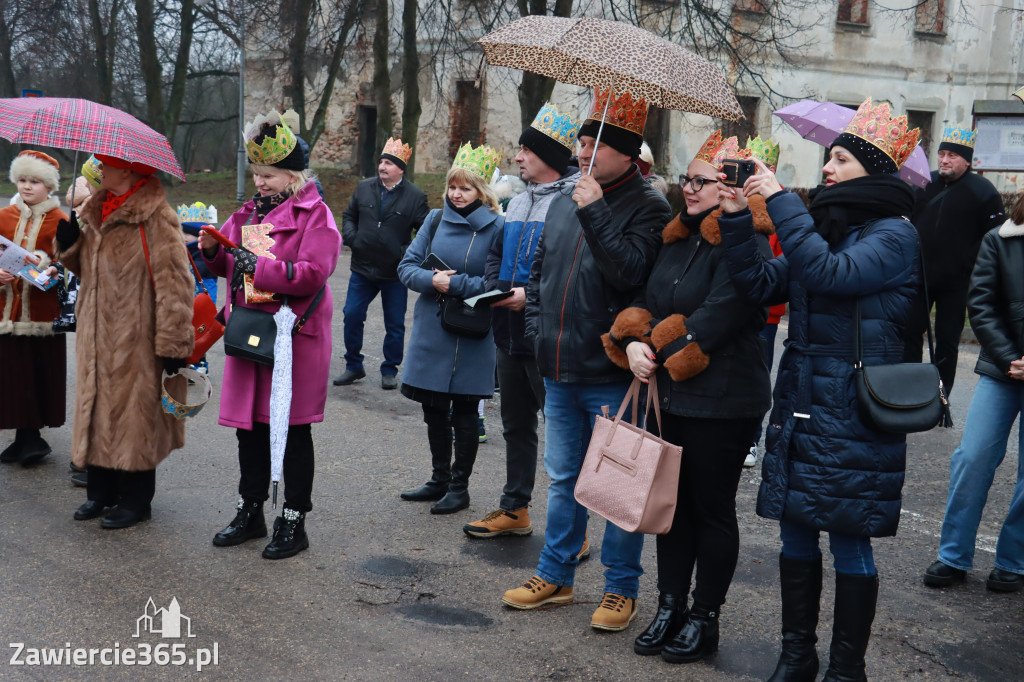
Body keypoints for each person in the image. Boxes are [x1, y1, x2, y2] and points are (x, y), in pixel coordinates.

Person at [717, 98, 921, 681]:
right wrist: (736, 215)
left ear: (872, 167)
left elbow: (833, 275)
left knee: (850, 540)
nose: (826, 169)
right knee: (796, 531)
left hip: (856, 407)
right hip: (804, 400)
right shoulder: (830, 228)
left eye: (838, 160)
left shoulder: (894, 235)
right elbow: (759, 283)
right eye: (827, 160)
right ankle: (796, 656)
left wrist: (780, 200)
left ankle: (845, 669)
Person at [501, 89, 670, 632]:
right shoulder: (563, 198)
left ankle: (622, 589)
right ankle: (556, 575)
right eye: (581, 141)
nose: (583, 151)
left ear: (625, 154)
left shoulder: (649, 207)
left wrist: (595, 207)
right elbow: (539, 274)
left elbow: (628, 273)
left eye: (596, 144)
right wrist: (536, 333)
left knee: (619, 487)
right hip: (557, 365)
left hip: (611, 371)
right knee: (563, 477)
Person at [603, 131, 774, 663]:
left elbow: (722, 315)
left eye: (704, 180)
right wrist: (632, 343)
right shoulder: (675, 238)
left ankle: (705, 618)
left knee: (711, 509)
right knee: (671, 510)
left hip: (725, 398)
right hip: (669, 395)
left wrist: (657, 344)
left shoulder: (742, 239)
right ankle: (669, 606)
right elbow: (643, 300)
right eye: (689, 179)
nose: (691, 188)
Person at [201, 112, 340, 559]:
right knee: (251, 431)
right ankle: (251, 510)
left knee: (291, 431)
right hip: (250, 333)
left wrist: (256, 266)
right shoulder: (245, 214)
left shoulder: (316, 215)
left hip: (292, 337)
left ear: (292, 175)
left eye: (268, 175)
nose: (259, 182)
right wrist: (211, 252)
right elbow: (226, 261)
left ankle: (294, 520)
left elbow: (315, 273)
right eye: (256, 174)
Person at [462, 102, 582, 539]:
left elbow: (573, 271)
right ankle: (515, 508)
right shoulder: (516, 201)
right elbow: (496, 253)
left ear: (548, 156)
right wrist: (496, 289)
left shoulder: (573, 203)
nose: (517, 158)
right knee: (515, 425)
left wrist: (529, 297)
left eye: (526, 151)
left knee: (565, 435)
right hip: (508, 332)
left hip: (549, 336)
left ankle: (575, 525)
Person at [57, 153, 194, 529]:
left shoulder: (156, 217)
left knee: (136, 416)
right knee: (99, 406)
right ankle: (100, 493)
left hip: (138, 336)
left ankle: (136, 500)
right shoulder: (97, 211)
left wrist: (173, 345)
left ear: (129, 169)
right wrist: (68, 246)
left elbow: (175, 285)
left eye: (106, 164)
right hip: (96, 333)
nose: (98, 168)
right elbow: (88, 268)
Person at [921, 194, 1024, 594]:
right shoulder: (1001, 238)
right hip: (1004, 369)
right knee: (972, 458)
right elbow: (981, 304)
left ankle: (1014, 560)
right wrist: (1009, 357)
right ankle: (953, 555)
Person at [396, 142, 504, 514]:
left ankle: (460, 488)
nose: (457, 194)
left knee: (465, 411)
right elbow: (407, 267)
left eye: (466, 188)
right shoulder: (435, 219)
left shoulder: (498, 227)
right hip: (433, 327)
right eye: (453, 187)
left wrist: (453, 285)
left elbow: (499, 284)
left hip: (473, 330)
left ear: (482, 191)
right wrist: (432, 281)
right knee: (432, 408)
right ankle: (438, 479)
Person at [902, 124, 1004, 397]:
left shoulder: (984, 192)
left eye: (952, 156)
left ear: (967, 160)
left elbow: (994, 239)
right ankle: (909, 393)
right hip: (918, 277)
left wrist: (971, 267)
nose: (945, 160)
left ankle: (939, 396)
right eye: (942, 154)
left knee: (947, 342)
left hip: (956, 283)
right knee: (909, 336)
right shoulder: (922, 183)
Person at [335, 137, 429, 390]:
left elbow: (425, 232)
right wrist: (353, 238)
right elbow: (349, 215)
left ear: (400, 169)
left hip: (394, 272)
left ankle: (390, 369)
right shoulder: (364, 187)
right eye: (381, 162)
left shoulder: (415, 196)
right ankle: (354, 365)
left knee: (395, 323)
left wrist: (406, 254)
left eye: (389, 163)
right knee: (352, 316)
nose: (383, 167)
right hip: (362, 268)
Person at [0, 151, 68, 467]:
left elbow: (69, 262)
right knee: (13, 375)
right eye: (23, 180)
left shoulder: (61, 221)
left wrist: (50, 265)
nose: (27, 187)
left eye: (35, 181)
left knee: (37, 373)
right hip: (7, 312)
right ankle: (23, 438)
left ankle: (32, 437)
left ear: (49, 186)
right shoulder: (4, 216)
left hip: (42, 313)